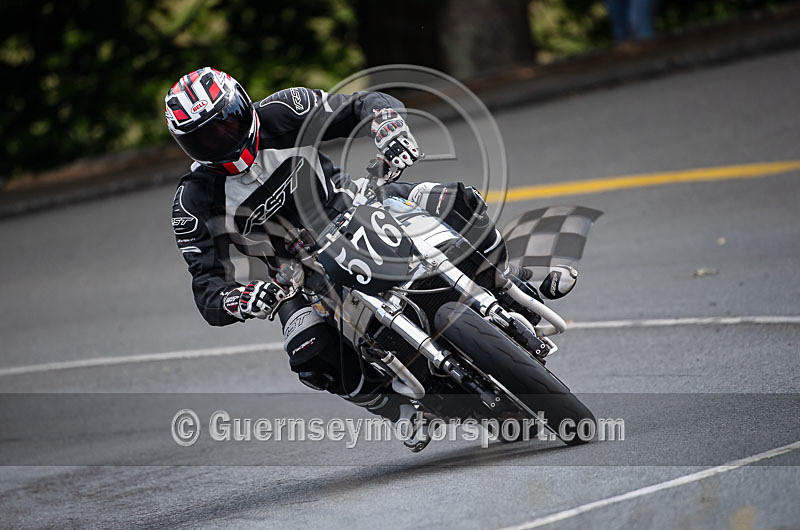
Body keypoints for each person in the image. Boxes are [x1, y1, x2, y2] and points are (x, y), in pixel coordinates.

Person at [166, 67, 538, 449]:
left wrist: (387, 126)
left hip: (356, 204)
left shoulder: (284, 110)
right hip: (295, 273)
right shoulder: (193, 201)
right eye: (205, 138)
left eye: (226, 123)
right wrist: (242, 298)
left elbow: (363, 103)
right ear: (187, 145)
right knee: (307, 350)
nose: (222, 137)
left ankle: (509, 285)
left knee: (460, 200)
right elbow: (207, 290)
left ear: (242, 103)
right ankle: (397, 410)